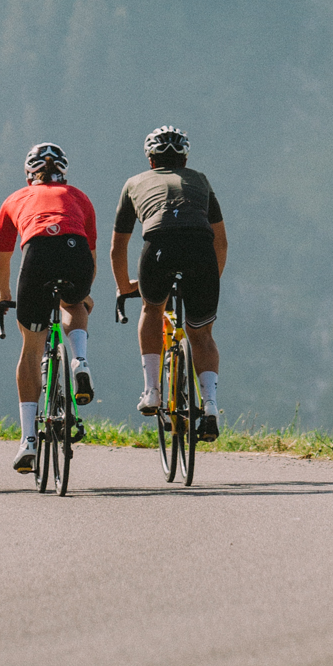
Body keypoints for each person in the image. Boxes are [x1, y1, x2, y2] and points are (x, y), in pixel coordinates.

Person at [110, 126, 226, 439]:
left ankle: (151, 391)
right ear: (184, 158)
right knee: (201, 334)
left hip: (159, 248)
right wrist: (209, 280)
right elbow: (221, 242)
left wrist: (124, 287)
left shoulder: (134, 183)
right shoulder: (199, 180)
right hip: (201, 252)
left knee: (152, 308)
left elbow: (118, 245)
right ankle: (211, 405)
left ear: (150, 159)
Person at [0, 141, 96, 476]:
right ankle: (79, 361)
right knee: (74, 304)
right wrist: (84, 292)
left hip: (37, 253)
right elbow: (90, 254)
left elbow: (1, 260)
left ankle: (28, 441)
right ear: (63, 172)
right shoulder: (78, 197)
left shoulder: (14, 199)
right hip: (74, 249)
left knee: (31, 347)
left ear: (29, 174)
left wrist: (2, 294)